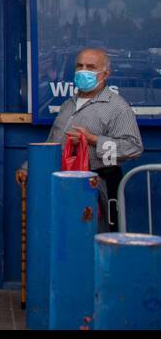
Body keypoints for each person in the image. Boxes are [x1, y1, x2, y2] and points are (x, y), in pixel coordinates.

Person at [17, 48, 142, 230]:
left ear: (105, 74)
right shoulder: (68, 105)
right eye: (80, 66)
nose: (83, 71)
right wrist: (28, 168)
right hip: (64, 185)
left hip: (95, 187)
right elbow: (54, 143)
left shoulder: (117, 107)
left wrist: (93, 140)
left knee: (91, 238)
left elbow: (133, 147)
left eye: (90, 67)